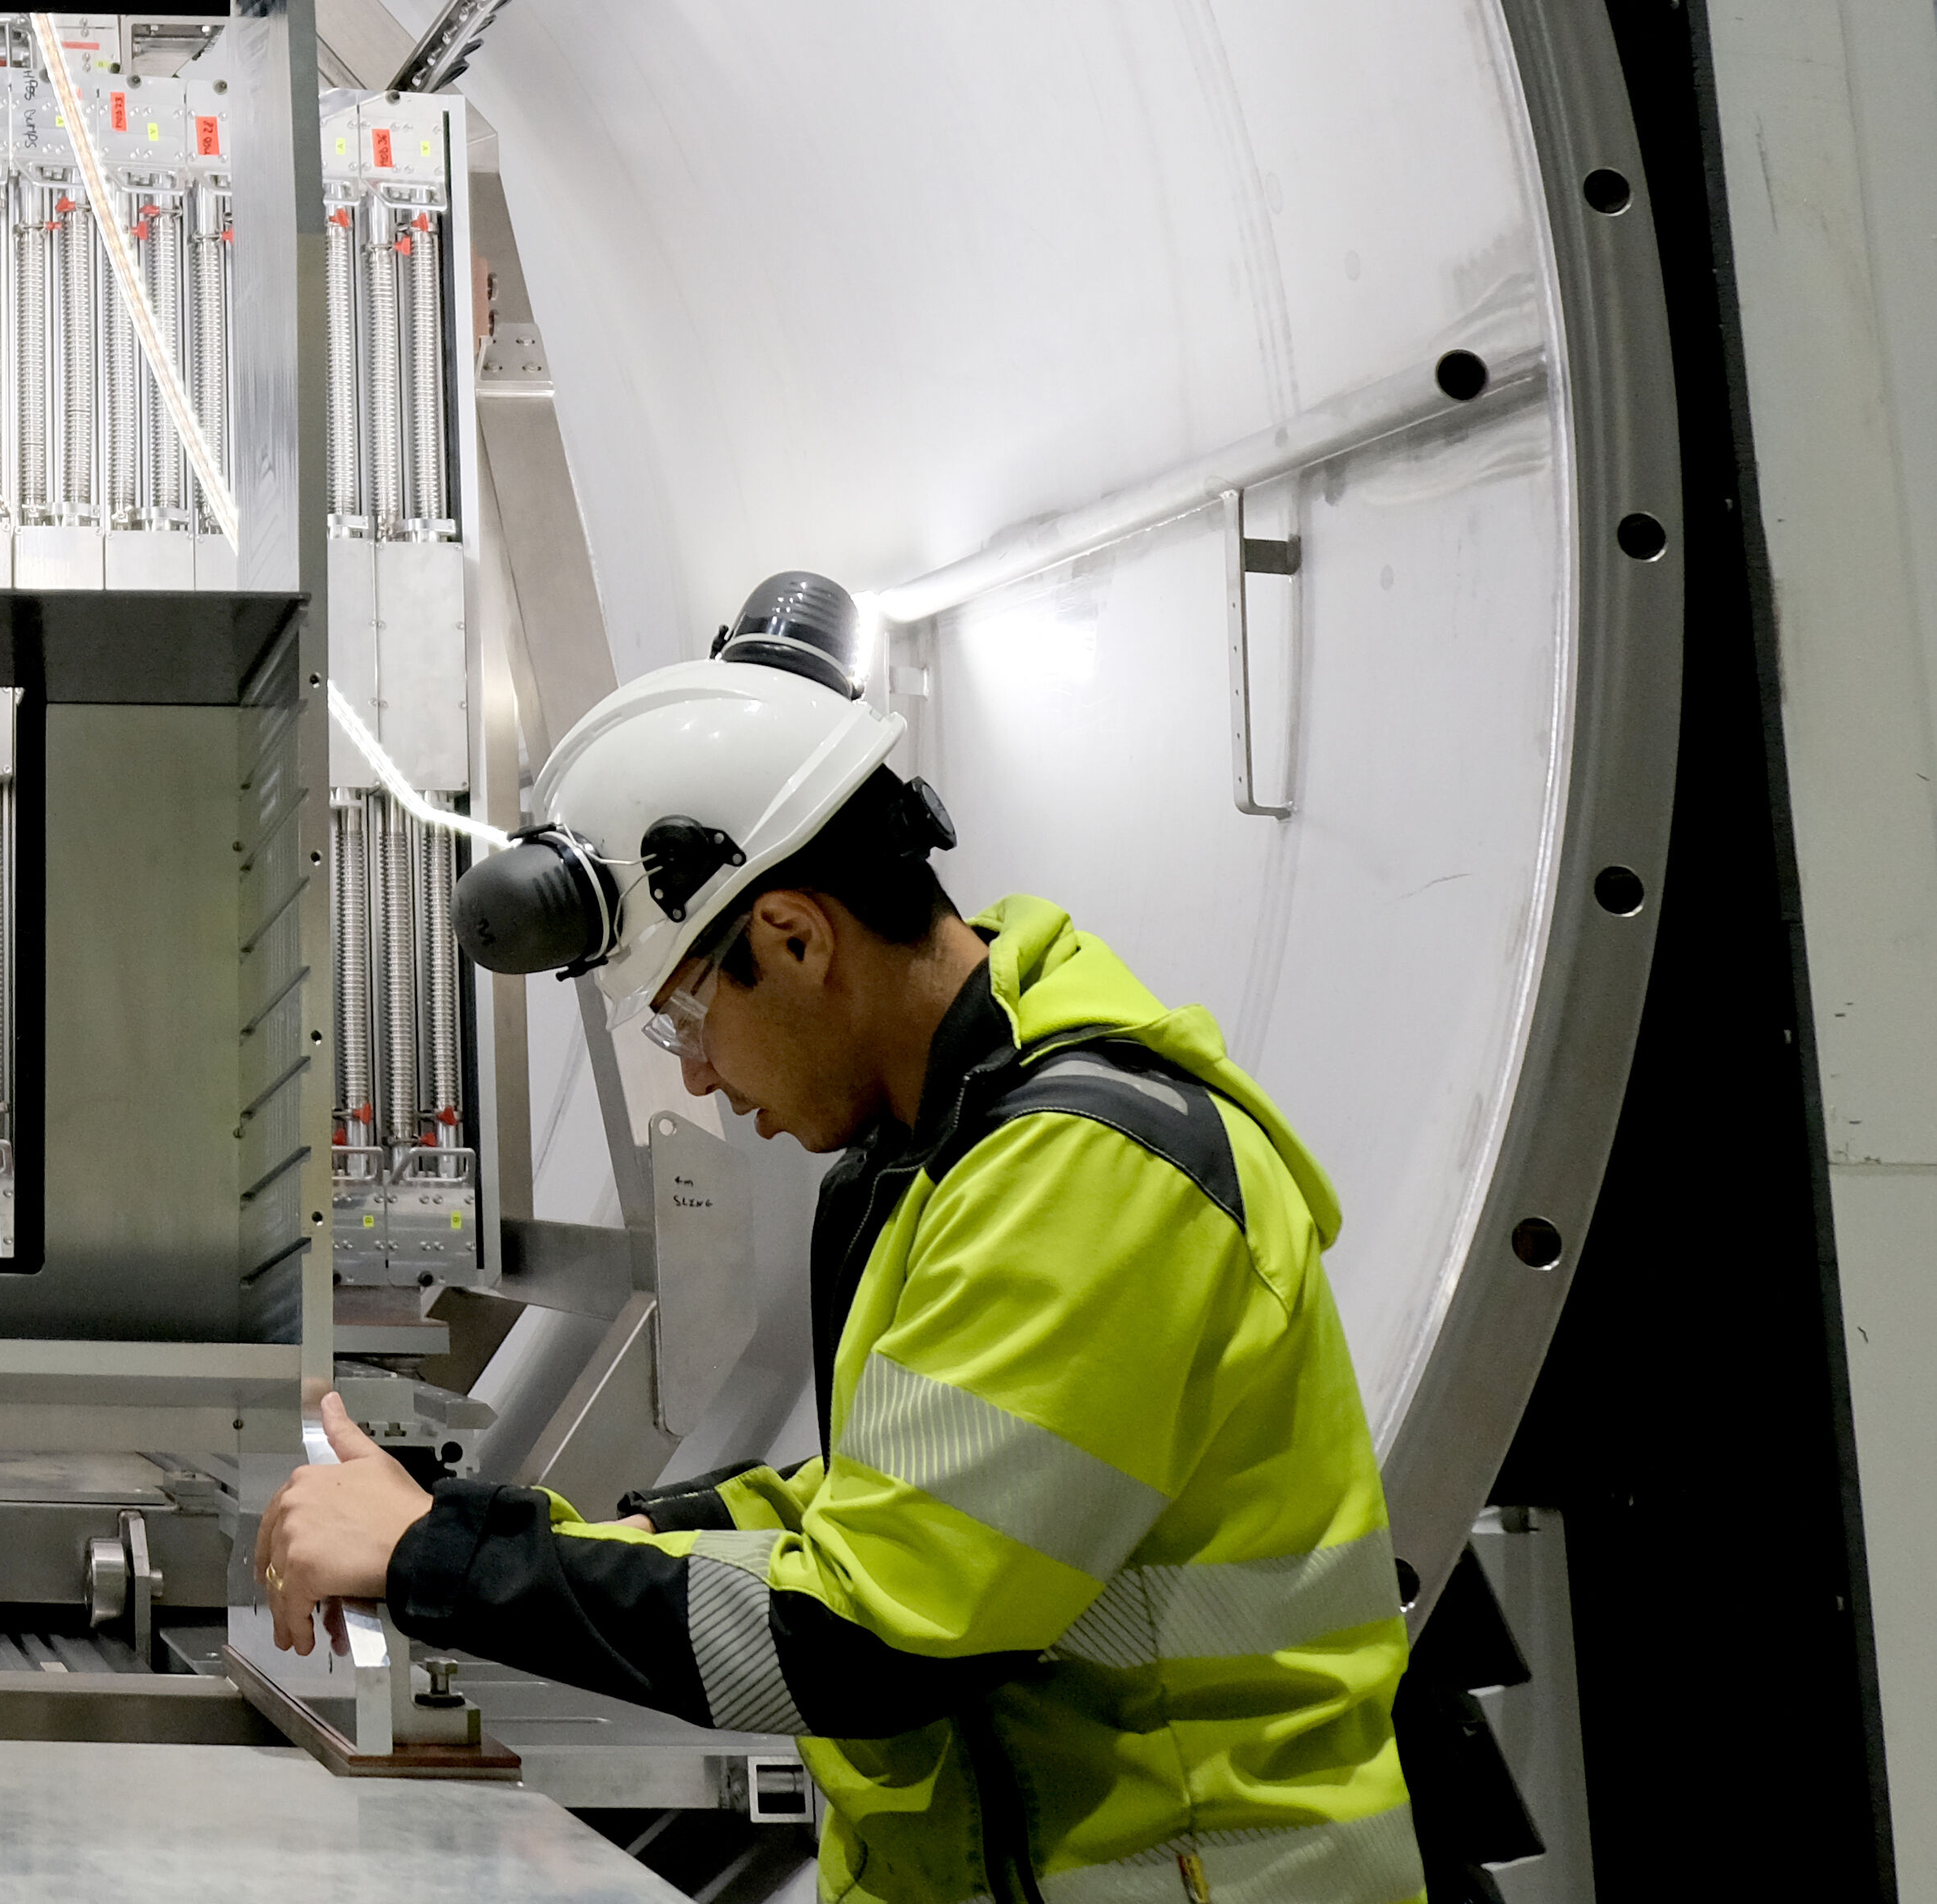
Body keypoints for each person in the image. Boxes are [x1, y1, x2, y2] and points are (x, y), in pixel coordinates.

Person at [258, 573, 1420, 1904]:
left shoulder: (1088, 1173)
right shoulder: (938, 1161)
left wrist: (440, 1561)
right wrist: (478, 1532)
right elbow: (854, 1513)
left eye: (686, 1021)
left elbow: (868, 1631)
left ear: (797, 938)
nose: (698, 1080)